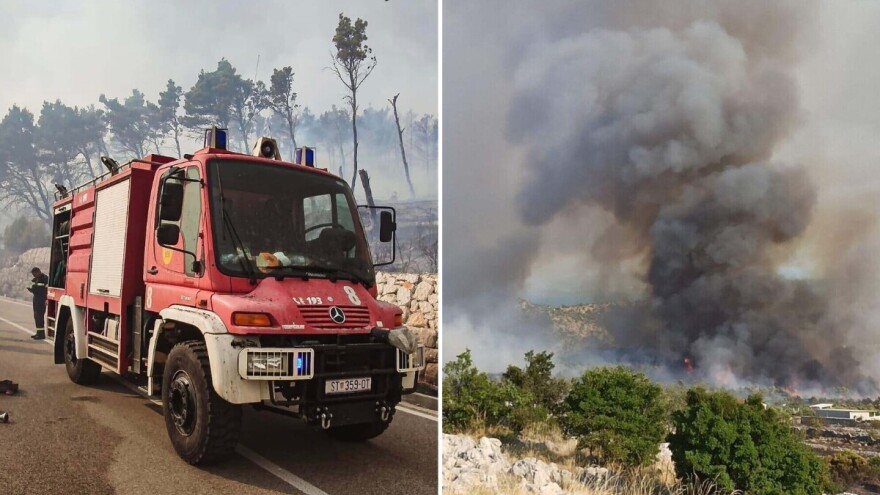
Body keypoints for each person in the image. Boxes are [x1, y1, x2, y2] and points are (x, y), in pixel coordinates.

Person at [27, 267, 48, 340]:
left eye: (34, 274)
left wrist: (33, 288)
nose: (33, 276)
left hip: (40, 301)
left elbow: (41, 290)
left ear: (38, 272)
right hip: (36, 300)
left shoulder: (44, 278)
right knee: (36, 317)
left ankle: (41, 335)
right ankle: (38, 333)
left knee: (40, 317)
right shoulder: (38, 279)